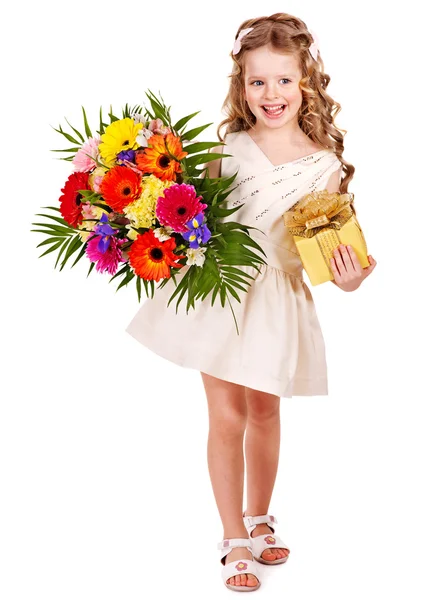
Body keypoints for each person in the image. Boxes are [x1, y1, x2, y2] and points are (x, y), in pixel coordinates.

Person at [126, 12, 377, 592]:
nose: (271, 94)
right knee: (226, 415)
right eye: (257, 81)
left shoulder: (325, 164)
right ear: (241, 86)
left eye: (283, 81)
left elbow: (330, 251)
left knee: (265, 411)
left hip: (275, 304)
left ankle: (261, 517)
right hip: (219, 294)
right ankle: (232, 534)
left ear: (306, 82)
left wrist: (351, 278)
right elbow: (191, 221)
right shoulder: (226, 151)